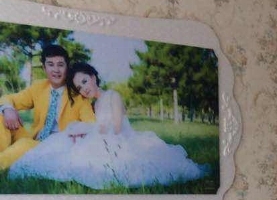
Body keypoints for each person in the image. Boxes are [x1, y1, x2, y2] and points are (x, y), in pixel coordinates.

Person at [9, 62, 211, 190]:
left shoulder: (113, 95)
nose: (84, 88)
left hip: (120, 140)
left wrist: (90, 132)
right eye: (79, 87)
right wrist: (84, 133)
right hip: (105, 138)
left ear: (93, 77)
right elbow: (99, 127)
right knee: (67, 139)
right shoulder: (95, 104)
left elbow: (116, 128)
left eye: (85, 81)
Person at [0, 44, 95, 171]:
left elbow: (91, 123)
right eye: (50, 64)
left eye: (60, 65)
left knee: (24, 145)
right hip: (35, 139)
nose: (56, 70)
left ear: (67, 67)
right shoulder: (38, 87)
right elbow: (8, 98)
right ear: (44, 68)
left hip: (55, 148)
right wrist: (8, 109)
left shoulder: (78, 95)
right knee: (2, 116)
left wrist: (76, 132)